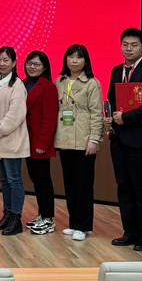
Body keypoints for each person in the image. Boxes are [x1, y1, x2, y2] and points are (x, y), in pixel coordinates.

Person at [105, 28, 142, 251]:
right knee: (124, 187)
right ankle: (130, 232)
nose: (128, 49)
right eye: (125, 44)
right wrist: (109, 117)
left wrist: (126, 117)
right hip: (119, 139)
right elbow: (111, 99)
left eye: (134, 45)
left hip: (141, 140)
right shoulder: (116, 70)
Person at [54, 44, 103, 241]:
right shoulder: (60, 81)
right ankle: (74, 222)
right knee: (70, 183)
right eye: (71, 56)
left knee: (83, 184)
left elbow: (97, 113)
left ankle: (83, 226)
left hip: (84, 140)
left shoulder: (92, 83)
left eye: (79, 57)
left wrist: (94, 139)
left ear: (85, 61)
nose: (74, 61)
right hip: (64, 138)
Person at [0, 47, 28, 236]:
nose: (2, 63)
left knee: (14, 180)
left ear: (14, 62)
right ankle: (7, 215)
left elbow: (16, 114)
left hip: (11, 140)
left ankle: (16, 219)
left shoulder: (17, 84)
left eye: (6, 60)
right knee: (4, 180)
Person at [22, 50, 59, 235]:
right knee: (35, 179)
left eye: (37, 64)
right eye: (30, 63)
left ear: (44, 67)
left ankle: (48, 218)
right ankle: (42, 213)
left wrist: (43, 143)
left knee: (43, 180)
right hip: (25, 140)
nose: (32, 67)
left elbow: (50, 118)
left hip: (39, 142)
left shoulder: (48, 86)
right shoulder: (23, 83)